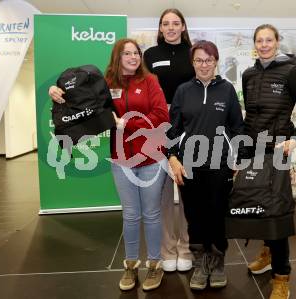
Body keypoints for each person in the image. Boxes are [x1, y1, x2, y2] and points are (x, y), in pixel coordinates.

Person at [49, 38, 169, 292]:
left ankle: (155, 265)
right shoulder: (104, 83)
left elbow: (161, 116)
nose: (133, 57)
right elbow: (79, 102)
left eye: (136, 53)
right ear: (118, 57)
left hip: (152, 157)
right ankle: (131, 264)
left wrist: (128, 124)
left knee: (152, 214)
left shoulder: (150, 81)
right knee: (130, 215)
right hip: (121, 158)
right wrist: (57, 91)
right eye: (127, 53)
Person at [242, 24, 296, 299]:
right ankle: (268, 252)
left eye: (268, 40)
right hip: (252, 150)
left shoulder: (290, 72)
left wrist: (295, 139)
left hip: (278, 152)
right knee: (258, 207)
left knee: (278, 212)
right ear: (255, 43)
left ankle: (282, 276)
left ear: (276, 41)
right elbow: (250, 114)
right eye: (259, 40)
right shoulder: (248, 74)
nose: (263, 45)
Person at [167, 40, 244, 290]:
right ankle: (201, 263)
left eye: (208, 60)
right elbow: (173, 130)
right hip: (189, 166)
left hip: (220, 165)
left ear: (216, 61)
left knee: (217, 216)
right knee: (195, 217)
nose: (204, 64)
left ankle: (218, 261)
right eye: (199, 60)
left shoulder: (227, 90)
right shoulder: (183, 91)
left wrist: (236, 158)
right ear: (193, 63)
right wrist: (173, 157)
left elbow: (236, 128)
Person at [143, 8, 195, 273]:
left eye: (176, 23)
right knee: (161, 194)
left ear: (183, 27)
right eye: (166, 23)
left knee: (187, 191)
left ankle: (186, 248)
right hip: (158, 128)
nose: (171, 27)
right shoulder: (150, 55)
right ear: (160, 28)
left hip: (188, 129)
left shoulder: (193, 54)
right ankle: (167, 250)